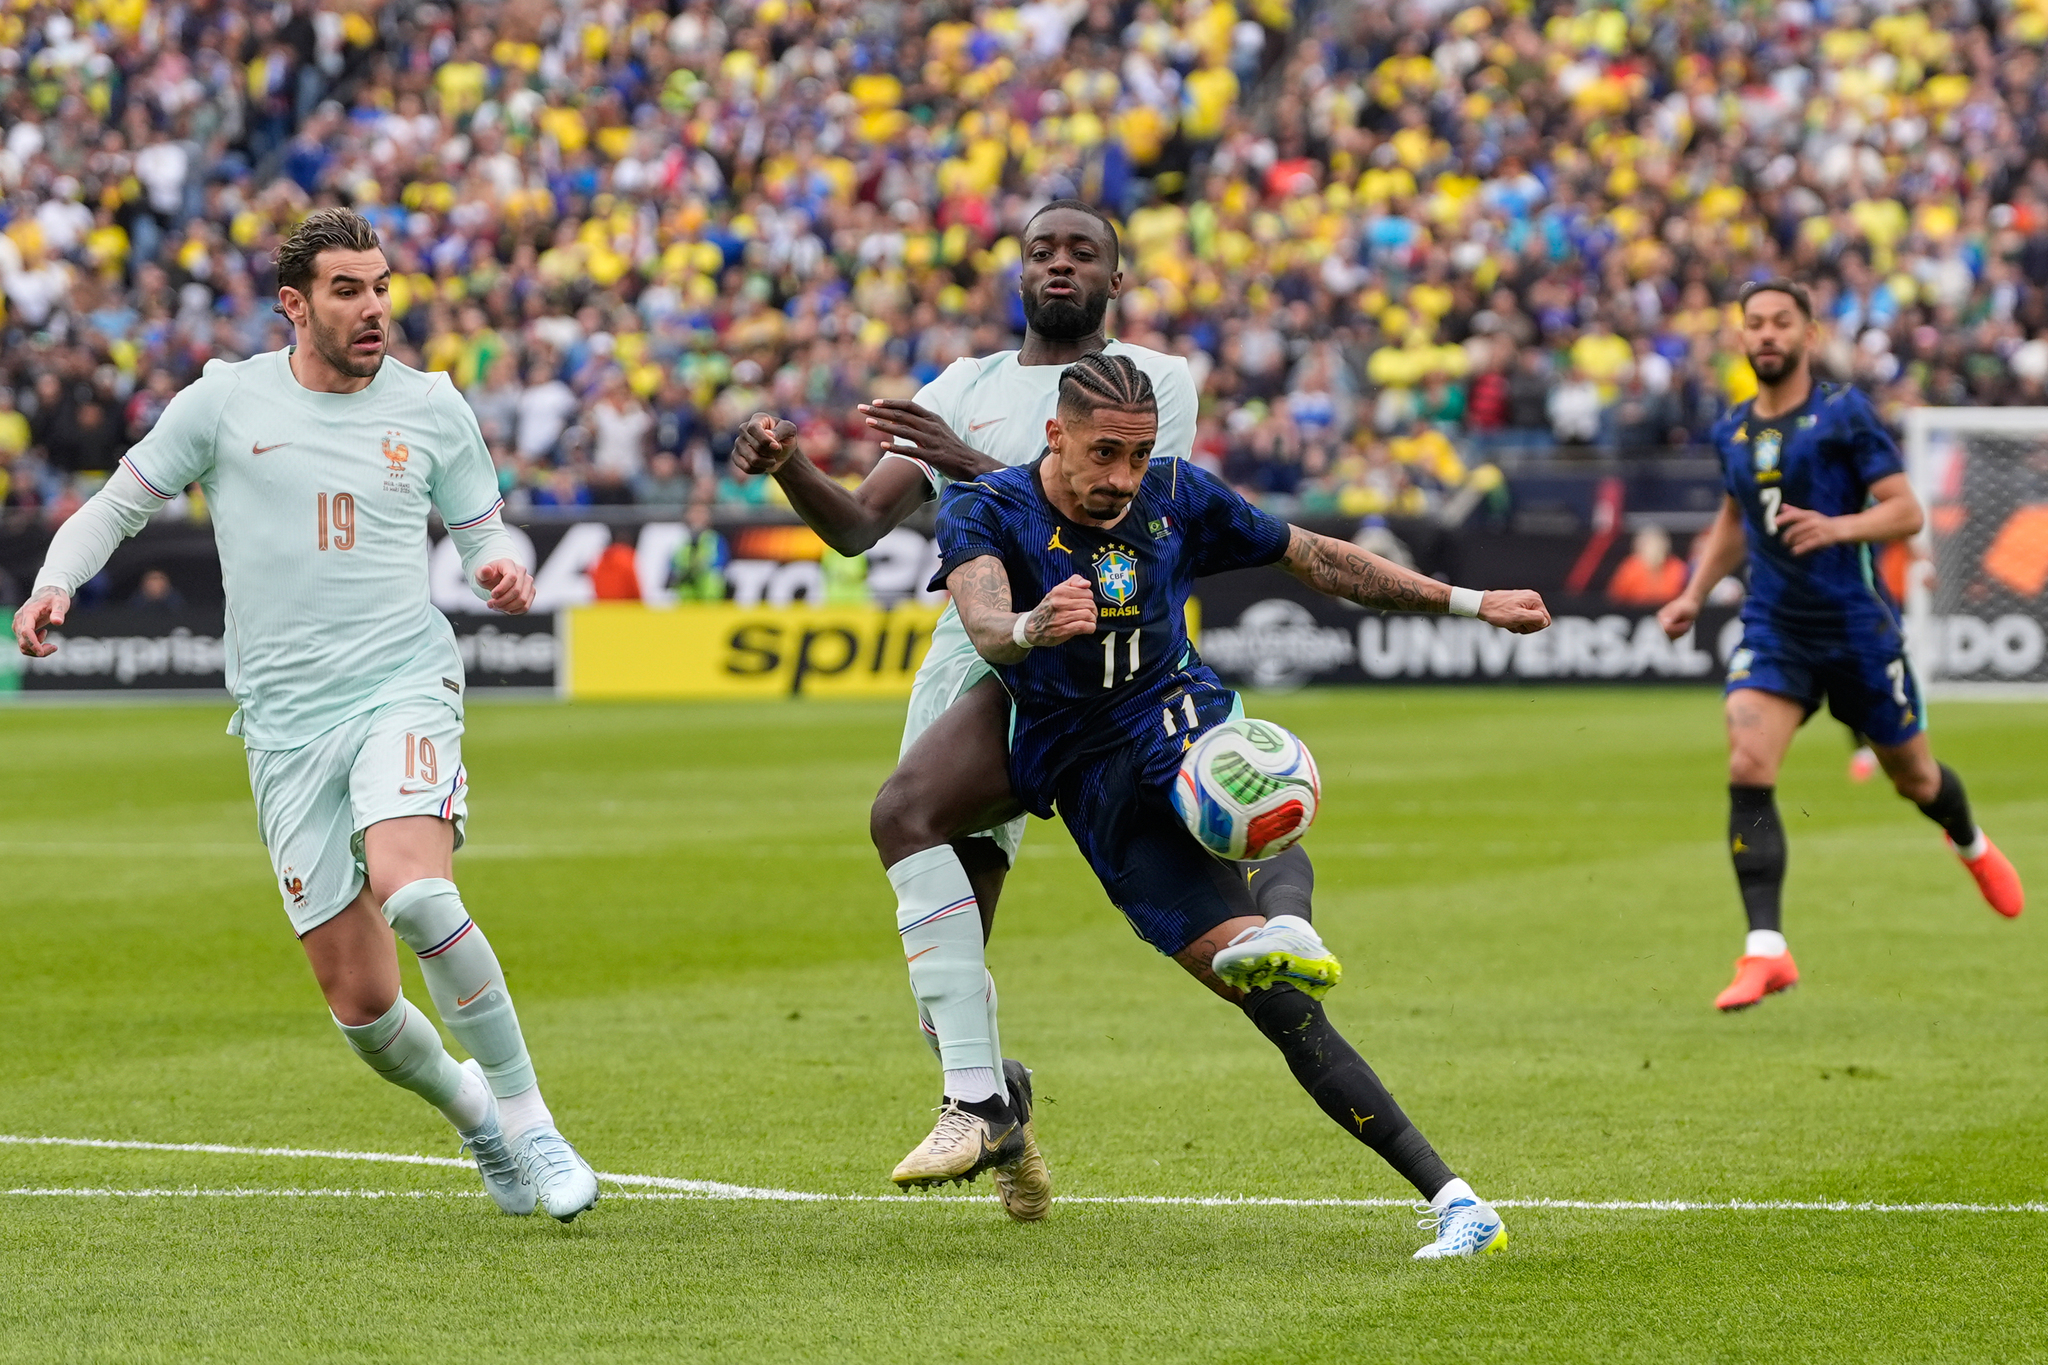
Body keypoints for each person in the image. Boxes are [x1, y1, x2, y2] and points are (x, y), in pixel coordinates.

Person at [11, 208, 600, 1221]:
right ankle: (478, 1120)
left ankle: (531, 1119)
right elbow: (117, 503)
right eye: (347, 290)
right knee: (363, 1007)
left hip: (401, 683)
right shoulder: (224, 402)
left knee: (417, 892)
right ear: (294, 303)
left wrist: (499, 567)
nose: (373, 308)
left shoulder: (432, 406)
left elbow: (482, 531)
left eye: (382, 287)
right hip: (283, 723)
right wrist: (55, 581)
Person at [933, 353, 1551, 1258]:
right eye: (1105, 454)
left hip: (1172, 710)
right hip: (1087, 779)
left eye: (1138, 456)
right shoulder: (983, 508)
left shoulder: (1178, 494)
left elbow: (1315, 557)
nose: (1123, 478)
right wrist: (1031, 625)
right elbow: (985, 622)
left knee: (1243, 777)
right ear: (1055, 434)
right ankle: (1457, 1198)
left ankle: (1297, 935)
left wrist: (1469, 600)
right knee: (1282, 1008)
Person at [732, 201, 1269, 1219]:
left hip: (1090, 664)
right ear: (1017, 273)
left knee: (920, 834)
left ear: (1114, 279)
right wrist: (788, 464)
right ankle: (999, 1107)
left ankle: (984, 1099)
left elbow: (1114, 516)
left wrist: (959, 459)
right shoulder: (965, 387)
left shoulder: (1151, 382)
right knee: (946, 961)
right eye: (1041, 251)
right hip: (970, 655)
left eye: (1082, 252)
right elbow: (857, 526)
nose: (1059, 264)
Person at [1658, 279, 2025, 1013]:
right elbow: (1735, 519)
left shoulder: (1843, 413)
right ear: (1741, 336)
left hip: (1857, 629)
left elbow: (1906, 511)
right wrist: (1694, 593)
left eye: (1780, 322)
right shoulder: (1732, 431)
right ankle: (1766, 949)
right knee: (1747, 761)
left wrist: (1838, 527)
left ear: (1807, 334)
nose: (1766, 333)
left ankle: (1970, 842)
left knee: (1915, 780)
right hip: (1775, 626)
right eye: (1754, 323)